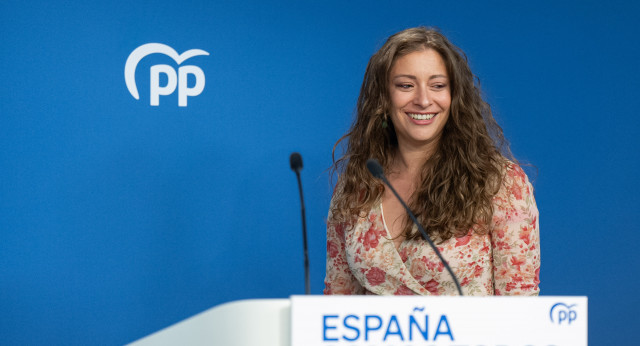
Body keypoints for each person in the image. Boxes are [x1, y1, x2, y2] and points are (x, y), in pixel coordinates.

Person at [324, 27, 540, 296]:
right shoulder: (356, 184)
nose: (424, 100)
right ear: (383, 97)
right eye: (406, 85)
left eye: (438, 86)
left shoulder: (500, 183)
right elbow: (336, 301)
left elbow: (519, 306)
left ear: (455, 97)